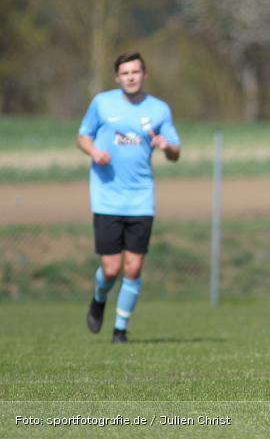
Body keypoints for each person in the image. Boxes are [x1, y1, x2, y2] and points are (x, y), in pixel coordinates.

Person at [79, 52, 181, 343]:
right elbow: (82, 136)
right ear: (117, 77)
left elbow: (175, 152)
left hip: (140, 199)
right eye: (125, 73)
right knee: (111, 269)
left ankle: (120, 330)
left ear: (144, 74)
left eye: (135, 72)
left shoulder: (159, 110)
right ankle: (99, 299)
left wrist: (166, 146)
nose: (131, 77)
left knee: (133, 267)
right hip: (106, 197)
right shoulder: (102, 103)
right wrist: (94, 151)